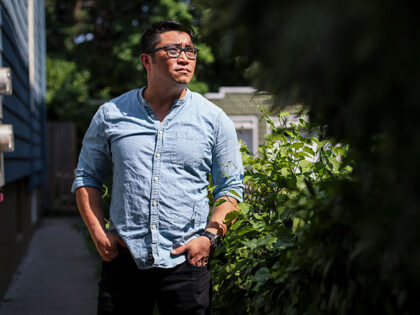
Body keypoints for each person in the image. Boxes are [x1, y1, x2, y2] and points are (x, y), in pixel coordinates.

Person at [72, 20, 244, 315]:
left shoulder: (214, 119)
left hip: (187, 265)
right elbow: (87, 177)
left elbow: (231, 188)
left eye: (191, 51)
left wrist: (209, 238)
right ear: (147, 60)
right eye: (174, 49)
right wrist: (98, 233)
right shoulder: (111, 115)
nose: (185, 58)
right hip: (124, 262)